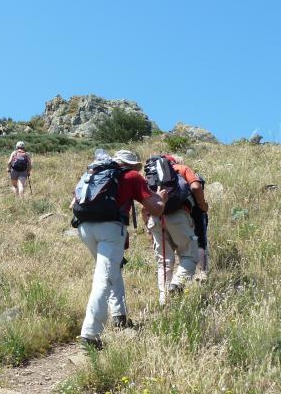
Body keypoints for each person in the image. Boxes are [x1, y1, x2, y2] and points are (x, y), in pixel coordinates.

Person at [73, 149, 167, 350]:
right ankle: (90, 335)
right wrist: (161, 197)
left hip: (84, 227)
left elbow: (73, 202)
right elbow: (156, 208)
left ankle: (119, 316)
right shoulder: (132, 176)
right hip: (110, 229)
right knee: (103, 279)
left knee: (111, 270)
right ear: (131, 165)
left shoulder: (94, 173)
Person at [144, 154, 208, 303]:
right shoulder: (181, 169)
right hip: (178, 216)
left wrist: (148, 228)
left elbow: (144, 207)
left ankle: (164, 300)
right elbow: (195, 186)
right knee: (190, 256)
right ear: (173, 162)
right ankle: (177, 284)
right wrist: (202, 205)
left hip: (155, 218)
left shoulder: (149, 177)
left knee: (164, 262)